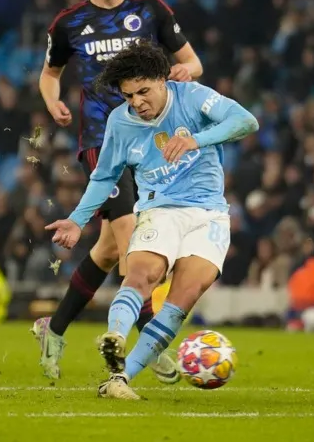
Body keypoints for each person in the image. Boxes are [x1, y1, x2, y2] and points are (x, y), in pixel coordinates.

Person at [32, 0, 203, 381]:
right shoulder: (69, 23)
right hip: (102, 144)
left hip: (154, 145)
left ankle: (54, 326)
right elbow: (50, 74)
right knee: (132, 239)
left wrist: (185, 69)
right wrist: (53, 101)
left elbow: (193, 61)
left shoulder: (150, 10)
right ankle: (150, 340)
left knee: (109, 250)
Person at [46, 40, 258, 400]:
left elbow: (246, 121)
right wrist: (77, 220)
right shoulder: (120, 122)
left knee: (182, 299)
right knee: (143, 274)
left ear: (163, 80)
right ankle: (114, 336)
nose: (137, 102)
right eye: (129, 96)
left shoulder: (192, 97)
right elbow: (104, 177)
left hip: (209, 216)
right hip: (160, 209)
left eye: (143, 91)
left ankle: (120, 379)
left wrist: (197, 140)